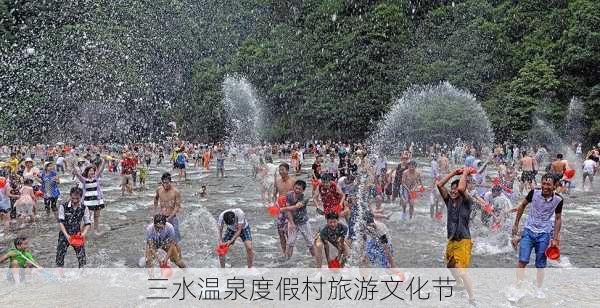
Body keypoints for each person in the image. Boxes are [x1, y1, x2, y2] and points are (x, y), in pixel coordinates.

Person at [511, 174, 563, 298]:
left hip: (544, 234)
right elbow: (522, 205)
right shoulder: (534, 193)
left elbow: (558, 218)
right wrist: (516, 224)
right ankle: (518, 288)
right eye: (543, 183)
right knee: (522, 261)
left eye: (548, 184)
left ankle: (538, 289)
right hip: (529, 231)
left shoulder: (558, 200)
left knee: (540, 265)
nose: (545, 187)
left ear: (555, 186)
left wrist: (555, 239)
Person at [436, 168, 476, 305]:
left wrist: (465, 173)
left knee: (462, 271)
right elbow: (440, 185)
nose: (453, 191)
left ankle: (472, 298)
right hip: (452, 240)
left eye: (455, 189)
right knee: (450, 264)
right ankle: (459, 283)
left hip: (463, 240)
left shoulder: (467, 202)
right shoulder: (449, 202)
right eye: (451, 189)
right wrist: (453, 173)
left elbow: (460, 189)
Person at [281, 180, 317, 263]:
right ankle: (287, 261)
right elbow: (289, 211)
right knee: (290, 242)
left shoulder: (305, 198)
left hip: (303, 222)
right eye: (296, 188)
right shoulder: (289, 195)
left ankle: (315, 260)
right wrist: (292, 223)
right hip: (293, 222)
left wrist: (282, 209)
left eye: (299, 189)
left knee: (310, 242)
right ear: (293, 187)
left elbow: (295, 207)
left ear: (303, 190)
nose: (297, 190)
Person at [56, 187, 91, 268]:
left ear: (81, 197)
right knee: (60, 256)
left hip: (77, 235)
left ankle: (81, 275)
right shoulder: (63, 206)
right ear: (70, 196)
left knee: (82, 258)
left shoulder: (84, 208)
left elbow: (88, 223)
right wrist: (67, 236)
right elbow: (60, 222)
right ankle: (61, 276)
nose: (74, 200)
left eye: (77, 198)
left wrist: (83, 234)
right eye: (73, 198)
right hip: (64, 235)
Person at [73, 157, 106, 235]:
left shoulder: (96, 178)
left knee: (97, 216)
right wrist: (73, 165)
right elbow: (77, 174)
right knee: (87, 218)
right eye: (90, 170)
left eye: (93, 171)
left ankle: (96, 230)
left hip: (98, 200)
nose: (92, 172)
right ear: (87, 172)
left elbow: (101, 169)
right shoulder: (84, 180)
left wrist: (104, 161)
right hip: (88, 201)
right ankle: (81, 232)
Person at [152, 173, 182, 247]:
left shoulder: (175, 191)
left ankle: (178, 256)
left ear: (170, 182)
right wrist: (154, 210)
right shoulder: (159, 189)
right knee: (160, 238)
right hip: (162, 217)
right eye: (164, 183)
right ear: (162, 182)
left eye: (167, 183)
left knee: (175, 239)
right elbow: (156, 199)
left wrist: (169, 217)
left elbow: (177, 206)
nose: (165, 185)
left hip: (172, 217)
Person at [273, 163, 296, 254]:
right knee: (280, 233)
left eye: (282, 169)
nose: (281, 171)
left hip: (290, 210)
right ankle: (284, 254)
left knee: (288, 232)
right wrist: (274, 204)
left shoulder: (293, 181)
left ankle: (291, 253)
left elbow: (298, 194)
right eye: (280, 170)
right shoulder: (277, 182)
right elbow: (274, 195)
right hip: (280, 210)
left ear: (287, 170)